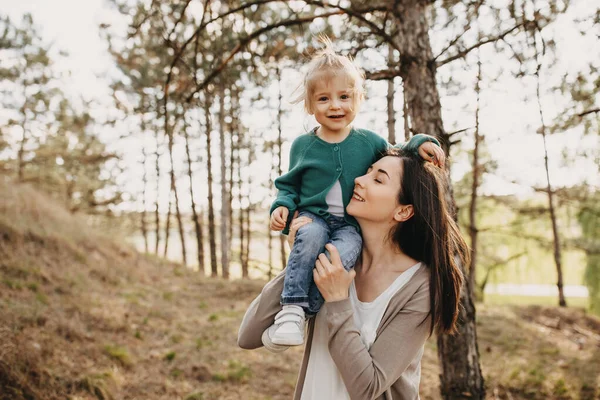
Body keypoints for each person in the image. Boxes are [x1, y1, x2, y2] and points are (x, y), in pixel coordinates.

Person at [238, 148, 468, 400]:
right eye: (366, 172)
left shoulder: (419, 285)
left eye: (378, 179)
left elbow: (368, 387)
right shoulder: (336, 260)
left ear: (403, 211)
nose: (359, 180)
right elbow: (248, 336)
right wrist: (303, 257)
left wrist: (337, 300)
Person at [266, 37, 445, 347]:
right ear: (310, 106)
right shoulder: (303, 146)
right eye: (324, 99)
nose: (335, 106)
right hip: (314, 218)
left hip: (349, 226)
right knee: (308, 239)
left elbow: (397, 151)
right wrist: (282, 209)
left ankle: (308, 311)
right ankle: (291, 309)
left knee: (342, 256)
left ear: (358, 99)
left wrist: (422, 143)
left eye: (344, 96)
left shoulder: (368, 141)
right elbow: (289, 186)